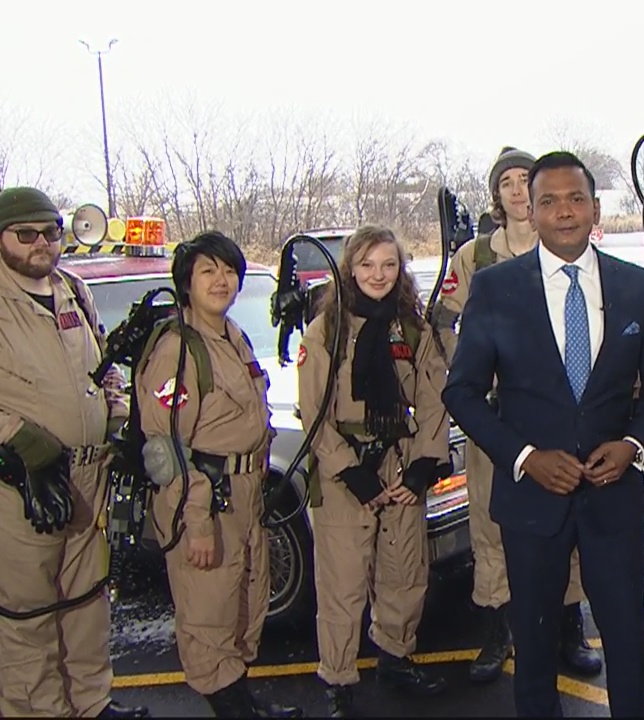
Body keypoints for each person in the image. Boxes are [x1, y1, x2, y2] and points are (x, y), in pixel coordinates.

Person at [442, 151, 644, 717]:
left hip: (613, 500)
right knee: (534, 649)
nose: (564, 212)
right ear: (532, 210)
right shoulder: (497, 288)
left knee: (627, 641)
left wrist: (635, 446)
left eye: (576, 199)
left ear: (596, 207)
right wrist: (524, 457)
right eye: (548, 201)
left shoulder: (638, 288)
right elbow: (462, 393)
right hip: (531, 503)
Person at [430, 146, 602, 682]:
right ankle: (499, 627)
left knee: (567, 520)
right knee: (489, 523)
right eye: (505, 181)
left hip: (557, 413)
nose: (515, 188)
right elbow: (443, 322)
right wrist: (473, 372)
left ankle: (569, 626)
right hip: (498, 420)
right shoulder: (477, 257)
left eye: (523, 179)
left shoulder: (568, 245)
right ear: (499, 195)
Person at [135, 231, 300, 718]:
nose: (221, 280)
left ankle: (241, 698)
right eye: (208, 271)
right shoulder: (177, 349)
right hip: (204, 500)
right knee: (208, 614)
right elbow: (167, 448)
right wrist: (198, 522)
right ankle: (231, 708)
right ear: (186, 282)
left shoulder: (233, 336)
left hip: (245, 497)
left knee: (243, 604)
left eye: (229, 271)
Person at [0, 187, 150, 719]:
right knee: (30, 613)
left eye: (51, 231)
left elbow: (103, 368)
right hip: (23, 485)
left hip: (88, 475)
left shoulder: (73, 291)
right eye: (26, 234)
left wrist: (119, 417)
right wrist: (17, 439)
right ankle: (39, 710)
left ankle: (90, 703)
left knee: (86, 602)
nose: (41, 243)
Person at [299, 224, 455, 717]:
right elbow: (313, 413)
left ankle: (395, 655)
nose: (378, 274)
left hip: (399, 460)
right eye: (367, 264)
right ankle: (339, 678)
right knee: (343, 583)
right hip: (345, 465)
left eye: (389, 264)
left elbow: (433, 399)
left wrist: (423, 467)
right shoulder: (327, 330)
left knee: (404, 572)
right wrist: (349, 470)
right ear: (350, 269)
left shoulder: (411, 328)